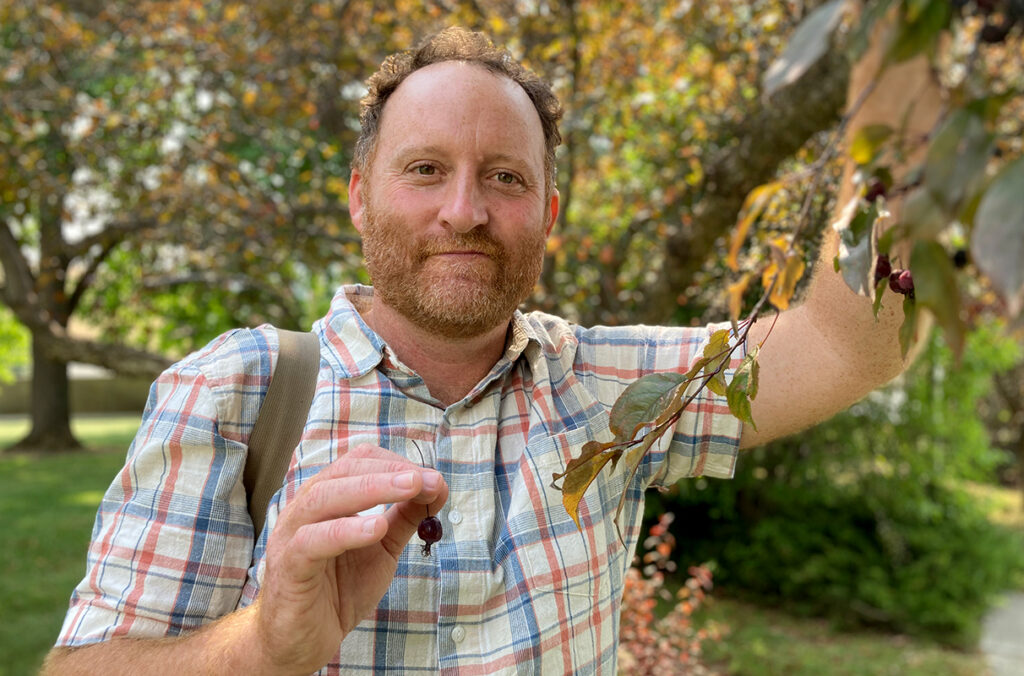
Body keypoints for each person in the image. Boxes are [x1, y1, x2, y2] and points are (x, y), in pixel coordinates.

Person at [44, 26, 914, 675]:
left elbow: (851, 343)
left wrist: (897, 52)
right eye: (425, 170)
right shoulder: (236, 393)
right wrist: (263, 643)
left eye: (506, 177)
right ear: (359, 197)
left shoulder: (610, 388)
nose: (464, 210)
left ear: (549, 213)